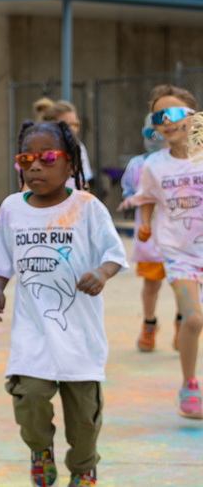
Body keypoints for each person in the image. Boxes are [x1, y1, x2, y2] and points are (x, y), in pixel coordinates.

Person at [0, 119, 127, 487]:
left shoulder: (87, 207)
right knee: (29, 399)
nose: (35, 166)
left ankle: (83, 469)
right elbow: (3, 255)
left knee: (84, 418)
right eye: (27, 158)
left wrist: (102, 273)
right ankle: (40, 450)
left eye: (48, 157)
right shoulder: (12, 208)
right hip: (32, 333)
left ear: (70, 164)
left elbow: (115, 253)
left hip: (80, 336)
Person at [131, 85, 203, 420]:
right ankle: (189, 384)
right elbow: (146, 198)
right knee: (194, 318)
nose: (167, 122)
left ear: (193, 116)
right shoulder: (153, 166)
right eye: (159, 117)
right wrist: (145, 223)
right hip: (180, 253)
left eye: (174, 113)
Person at [116, 114, 180, 352]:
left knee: (182, 284)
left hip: (179, 238)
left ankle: (181, 325)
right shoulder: (137, 164)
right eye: (148, 133)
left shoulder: (183, 163)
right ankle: (149, 324)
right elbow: (130, 191)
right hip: (150, 238)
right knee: (151, 284)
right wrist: (131, 201)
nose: (154, 138)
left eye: (160, 133)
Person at [34, 97, 94, 191]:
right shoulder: (39, 149)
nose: (73, 128)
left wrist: (85, 201)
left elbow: (84, 182)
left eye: (76, 123)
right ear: (51, 125)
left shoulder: (79, 148)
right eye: (67, 124)